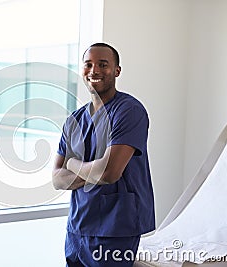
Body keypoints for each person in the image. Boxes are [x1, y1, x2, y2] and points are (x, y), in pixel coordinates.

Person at [52, 43, 155, 267]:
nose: (94, 70)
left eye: (103, 65)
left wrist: (72, 162)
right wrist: (93, 171)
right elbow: (57, 179)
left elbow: (109, 172)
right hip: (77, 227)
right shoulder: (75, 120)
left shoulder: (129, 111)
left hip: (115, 228)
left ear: (117, 70)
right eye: (88, 64)